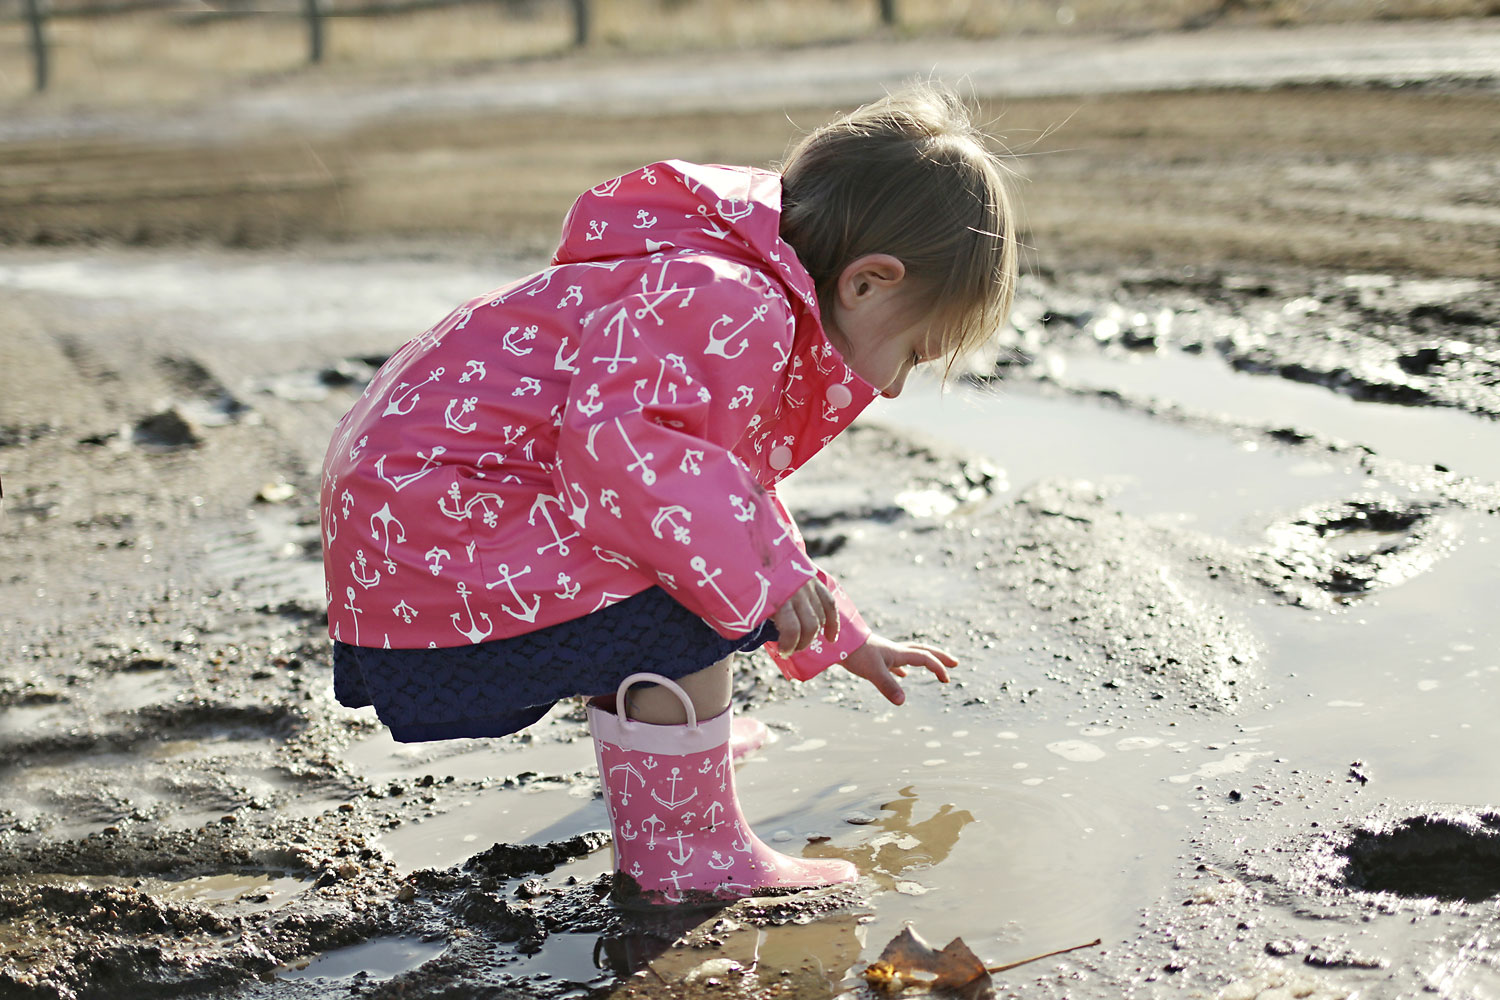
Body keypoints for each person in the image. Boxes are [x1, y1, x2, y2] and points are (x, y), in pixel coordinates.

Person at [320, 82, 1017, 907]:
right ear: (867, 283)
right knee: (693, 601)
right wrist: (762, 594)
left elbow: (716, 486)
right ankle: (686, 853)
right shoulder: (734, 302)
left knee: (693, 555)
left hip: (431, 505)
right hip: (440, 519)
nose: (896, 387)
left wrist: (840, 631)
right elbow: (629, 468)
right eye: (913, 351)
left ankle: (674, 747)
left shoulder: (724, 285)